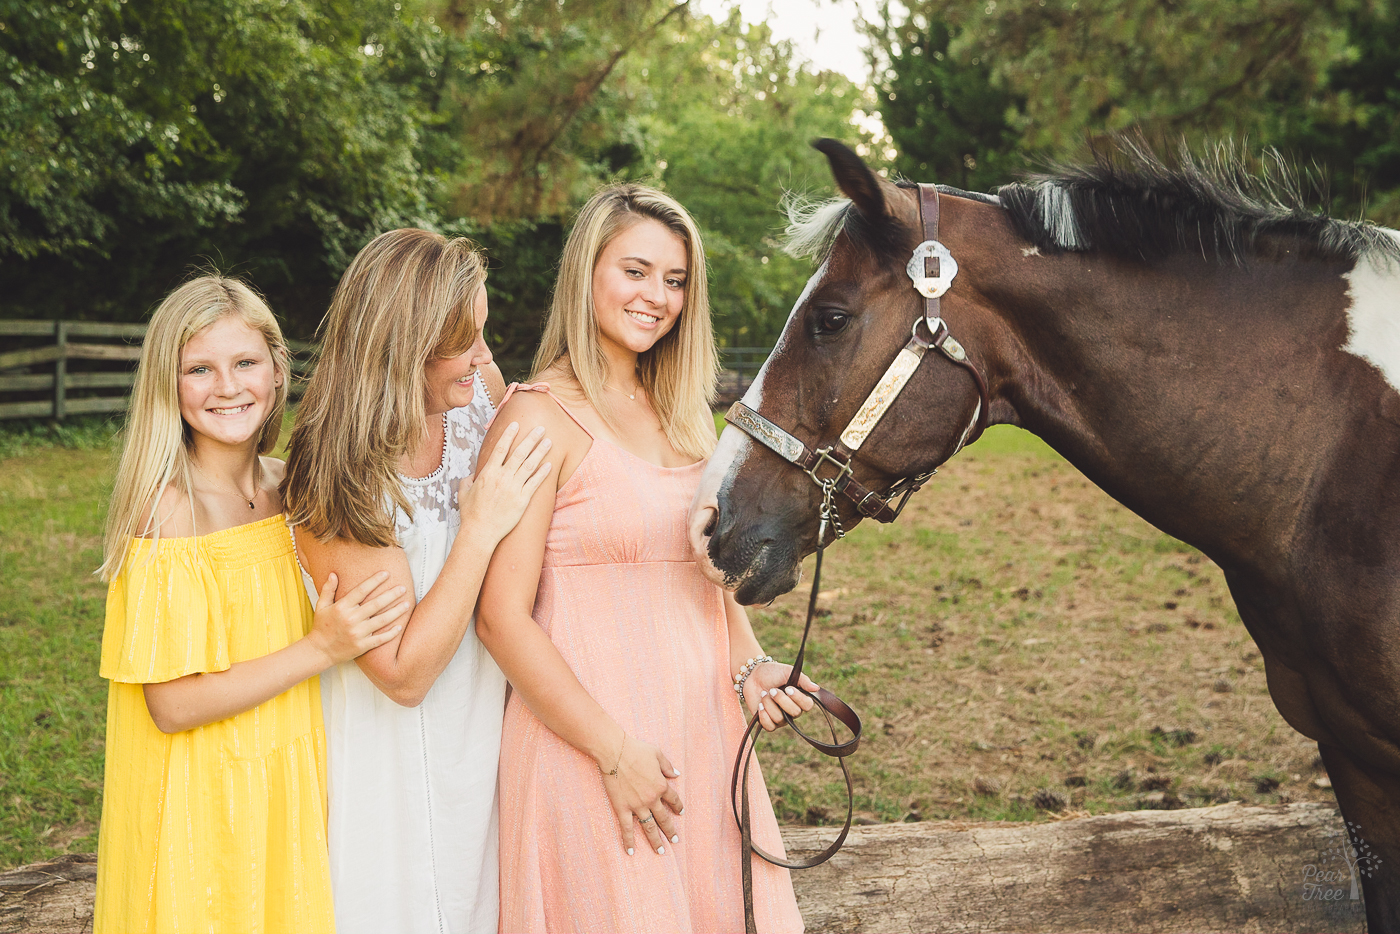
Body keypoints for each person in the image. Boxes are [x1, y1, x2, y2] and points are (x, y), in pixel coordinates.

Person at [477, 184, 814, 933]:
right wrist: (612, 751)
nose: (656, 297)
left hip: (702, 739)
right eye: (635, 271)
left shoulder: (688, 415)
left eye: (675, 280)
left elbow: (704, 581)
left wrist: (750, 665)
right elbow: (501, 619)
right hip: (590, 746)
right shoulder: (538, 415)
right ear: (587, 273)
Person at [94, 274, 407, 933]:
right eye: (199, 369)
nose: (228, 387)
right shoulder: (170, 509)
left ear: (275, 368)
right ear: (166, 384)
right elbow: (173, 704)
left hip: (281, 773)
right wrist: (321, 648)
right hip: (199, 794)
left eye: (244, 363)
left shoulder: (288, 488)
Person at [280, 228, 551, 934]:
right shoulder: (335, 475)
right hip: (393, 762)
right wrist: (480, 529)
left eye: (483, 333)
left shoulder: (477, 401)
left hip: (488, 734)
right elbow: (401, 675)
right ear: (402, 346)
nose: (486, 358)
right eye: (464, 342)